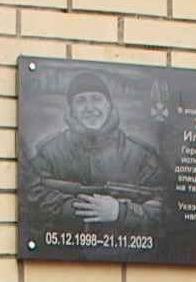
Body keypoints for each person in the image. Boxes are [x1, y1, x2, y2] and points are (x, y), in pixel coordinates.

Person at [24, 70, 163, 233]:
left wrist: (120, 212)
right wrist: (75, 208)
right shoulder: (49, 153)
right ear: (71, 109)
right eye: (81, 101)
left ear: (109, 105)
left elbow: (165, 210)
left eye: (97, 99)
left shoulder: (141, 156)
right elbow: (32, 196)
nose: (90, 108)